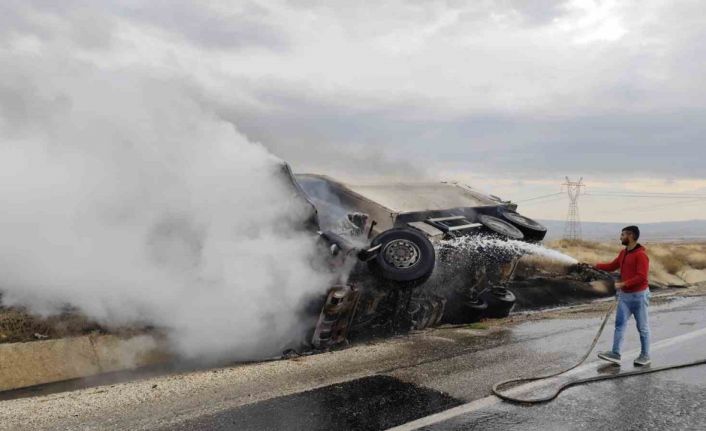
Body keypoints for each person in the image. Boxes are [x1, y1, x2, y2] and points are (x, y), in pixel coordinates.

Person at [594, 225, 651, 366]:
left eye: (623, 234)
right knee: (620, 325)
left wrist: (623, 284)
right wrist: (595, 265)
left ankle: (645, 355)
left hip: (639, 296)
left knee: (642, 327)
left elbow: (642, 277)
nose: (620, 237)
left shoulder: (641, 255)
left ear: (631, 236)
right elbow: (612, 266)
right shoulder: (623, 253)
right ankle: (615, 353)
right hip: (625, 297)